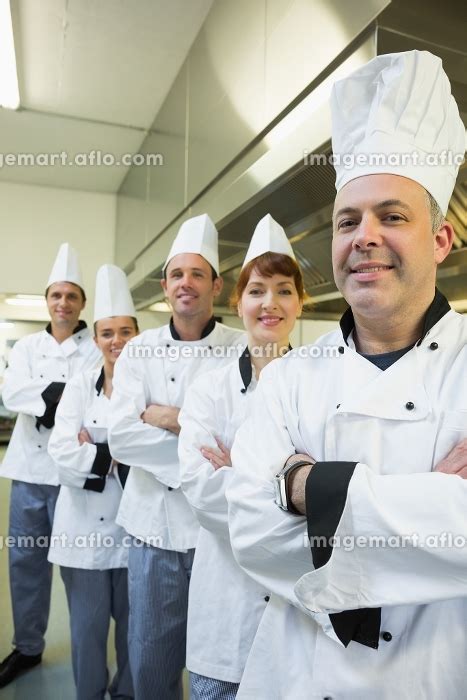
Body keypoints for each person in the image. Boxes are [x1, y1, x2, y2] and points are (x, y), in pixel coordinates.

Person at [227, 50, 467, 698]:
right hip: (294, 678)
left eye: (391, 217)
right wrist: (428, 508)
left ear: (440, 240)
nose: (364, 236)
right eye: (346, 221)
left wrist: (304, 487)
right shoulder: (288, 378)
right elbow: (249, 532)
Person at [108, 214, 244, 700]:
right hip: (153, 529)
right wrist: (200, 437)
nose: (186, 283)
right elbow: (120, 439)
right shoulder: (138, 350)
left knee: (219, 657)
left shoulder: (242, 348)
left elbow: (244, 442)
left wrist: (167, 417)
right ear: (165, 286)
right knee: (150, 653)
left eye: (198, 274)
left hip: (221, 533)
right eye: (177, 274)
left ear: (216, 286)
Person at [178, 214, 305, 699]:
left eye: (283, 290)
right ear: (238, 301)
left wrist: (240, 471)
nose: (269, 302)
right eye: (256, 290)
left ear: (299, 302)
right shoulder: (209, 389)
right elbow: (200, 489)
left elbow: (337, 496)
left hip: (299, 607)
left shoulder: (324, 385)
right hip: (224, 605)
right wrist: (290, 483)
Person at [0, 243, 101, 688]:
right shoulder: (25, 346)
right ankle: (27, 647)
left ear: (82, 303)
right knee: (26, 562)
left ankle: (89, 650)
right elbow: (10, 394)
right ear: (47, 299)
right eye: (56, 295)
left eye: (72, 296)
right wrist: (65, 399)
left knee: (79, 568)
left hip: (72, 476)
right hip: (27, 474)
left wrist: (44, 397)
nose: (63, 303)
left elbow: (97, 397)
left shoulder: (96, 347)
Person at [48, 264, 138, 700]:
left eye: (125, 331)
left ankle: (124, 695)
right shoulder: (79, 385)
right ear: (97, 337)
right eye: (107, 333)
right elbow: (61, 454)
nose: (117, 341)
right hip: (81, 533)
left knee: (134, 634)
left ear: (138, 335)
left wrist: (94, 448)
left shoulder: (152, 387)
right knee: (86, 634)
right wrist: (115, 453)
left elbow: (162, 452)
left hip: (136, 530)